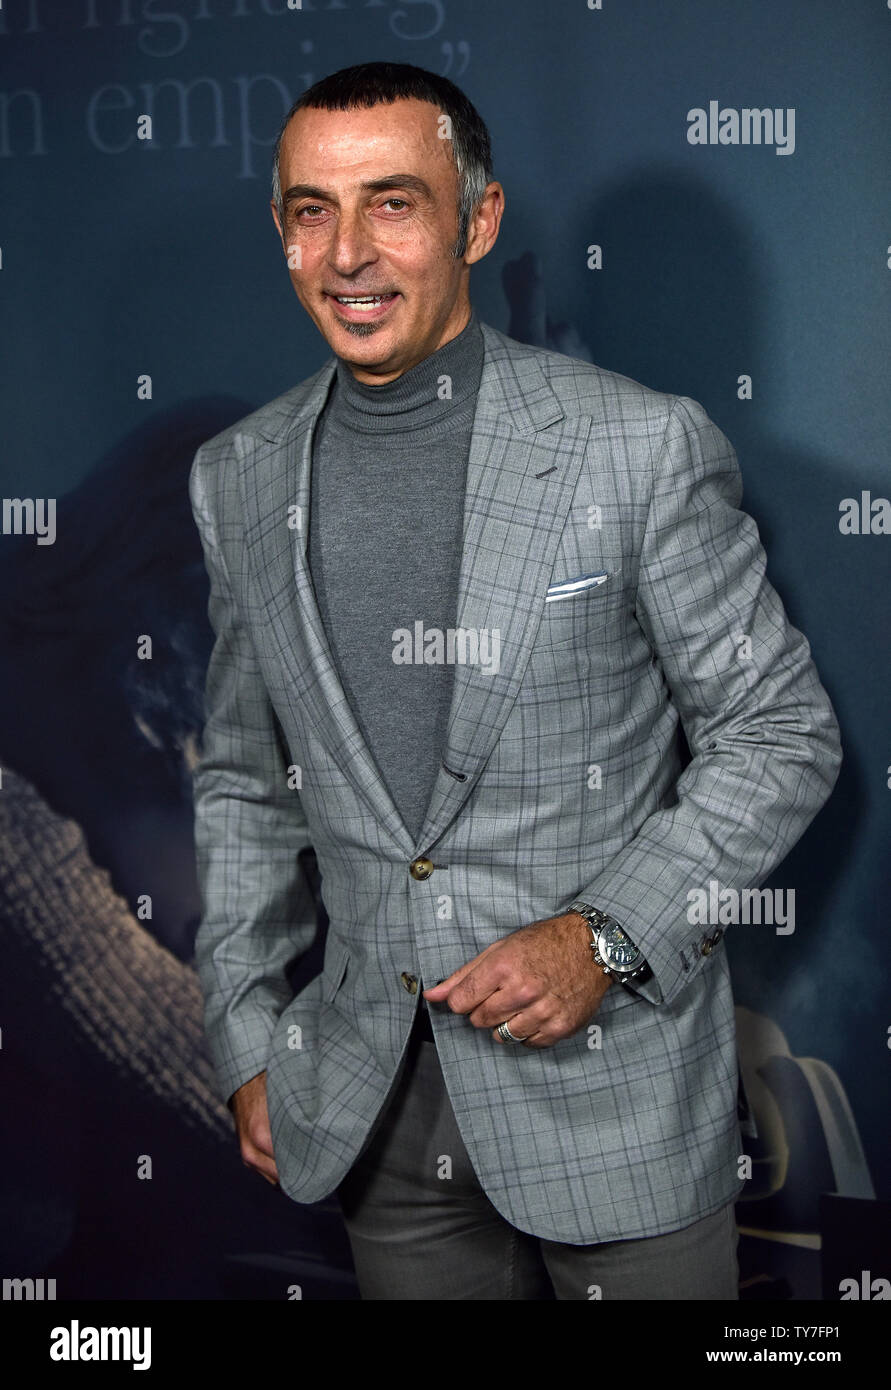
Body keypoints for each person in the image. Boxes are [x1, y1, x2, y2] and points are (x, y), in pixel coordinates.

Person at [188, 61, 842, 1300]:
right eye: (310, 211)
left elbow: (781, 731)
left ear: (478, 221)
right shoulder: (238, 475)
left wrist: (603, 935)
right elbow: (240, 780)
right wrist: (244, 1036)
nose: (347, 255)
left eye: (392, 203)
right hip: (371, 1112)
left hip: (618, 1108)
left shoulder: (637, 445)